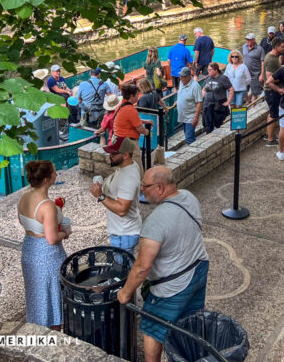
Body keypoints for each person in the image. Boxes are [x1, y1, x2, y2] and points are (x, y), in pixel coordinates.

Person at [116, 167, 208, 362]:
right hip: (199, 268)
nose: (141, 189)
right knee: (188, 321)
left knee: (151, 327)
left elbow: (142, 267)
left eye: (145, 186)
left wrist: (125, 293)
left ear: (159, 187)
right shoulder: (189, 196)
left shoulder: (155, 222)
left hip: (174, 285)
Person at [17, 160, 70, 329]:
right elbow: (52, 238)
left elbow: (23, 222)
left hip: (29, 248)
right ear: (47, 179)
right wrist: (65, 233)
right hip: (47, 255)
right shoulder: (47, 205)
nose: (56, 175)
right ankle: (52, 334)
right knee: (53, 298)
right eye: (54, 172)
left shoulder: (24, 197)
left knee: (36, 295)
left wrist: (39, 231)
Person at [90, 137, 142, 253]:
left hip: (123, 235)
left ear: (125, 155)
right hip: (123, 233)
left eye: (114, 153)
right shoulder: (127, 166)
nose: (110, 156)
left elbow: (122, 210)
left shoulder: (128, 177)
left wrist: (101, 196)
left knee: (123, 270)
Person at [263, 38, 284, 146]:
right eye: (282, 46)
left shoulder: (272, 56)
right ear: (276, 46)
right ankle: (271, 140)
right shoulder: (272, 59)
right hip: (272, 91)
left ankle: (268, 134)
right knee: (273, 114)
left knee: (271, 113)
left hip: (271, 91)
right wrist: (279, 89)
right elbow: (269, 80)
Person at [201, 63, 234, 133]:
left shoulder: (223, 78)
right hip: (208, 104)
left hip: (219, 105)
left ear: (216, 70)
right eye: (208, 70)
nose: (208, 71)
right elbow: (204, 89)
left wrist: (228, 101)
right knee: (207, 124)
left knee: (219, 124)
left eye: (210, 70)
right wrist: (203, 96)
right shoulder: (207, 78)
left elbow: (231, 89)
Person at [176, 67, 203, 145]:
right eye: (180, 76)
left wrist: (196, 118)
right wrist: (178, 101)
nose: (181, 78)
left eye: (183, 76)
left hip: (190, 117)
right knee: (187, 136)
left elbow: (199, 102)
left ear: (189, 76)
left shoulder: (195, 86)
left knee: (189, 139)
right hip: (183, 116)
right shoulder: (181, 82)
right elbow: (181, 94)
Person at [242, 32, 265, 103]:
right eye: (247, 39)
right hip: (245, 74)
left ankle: (253, 107)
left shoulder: (260, 49)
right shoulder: (244, 47)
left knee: (255, 92)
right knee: (244, 91)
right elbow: (241, 58)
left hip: (255, 74)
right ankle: (248, 102)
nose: (247, 41)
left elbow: (263, 62)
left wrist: (262, 75)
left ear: (254, 40)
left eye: (249, 40)